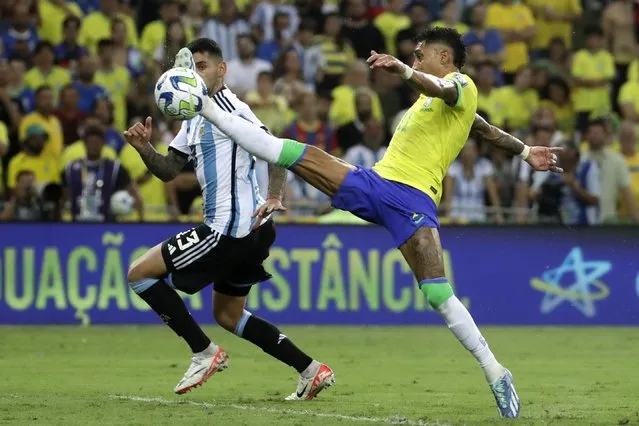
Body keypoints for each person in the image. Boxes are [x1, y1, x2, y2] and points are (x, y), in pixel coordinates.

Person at [194, 27, 563, 418]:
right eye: (414, 56)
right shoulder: (433, 103)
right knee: (285, 150)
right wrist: (524, 150)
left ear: (444, 58)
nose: (416, 60)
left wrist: (404, 69)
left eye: (422, 55)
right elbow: (485, 129)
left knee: (437, 293)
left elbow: (446, 92)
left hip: (412, 199)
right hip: (373, 182)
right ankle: (206, 106)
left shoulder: (460, 84)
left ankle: (496, 372)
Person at [124, 39, 334, 399]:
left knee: (139, 274)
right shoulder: (195, 112)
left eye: (203, 66)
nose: (196, 73)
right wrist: (145, 150)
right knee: (229, 315)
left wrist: (274, 196)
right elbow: (169, 170)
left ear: (221, 70)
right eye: (193, 67)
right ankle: (311, 370)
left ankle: (203, 352)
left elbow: (276, 149)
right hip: (250, 231)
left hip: (227, 229)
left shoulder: (231, 108)